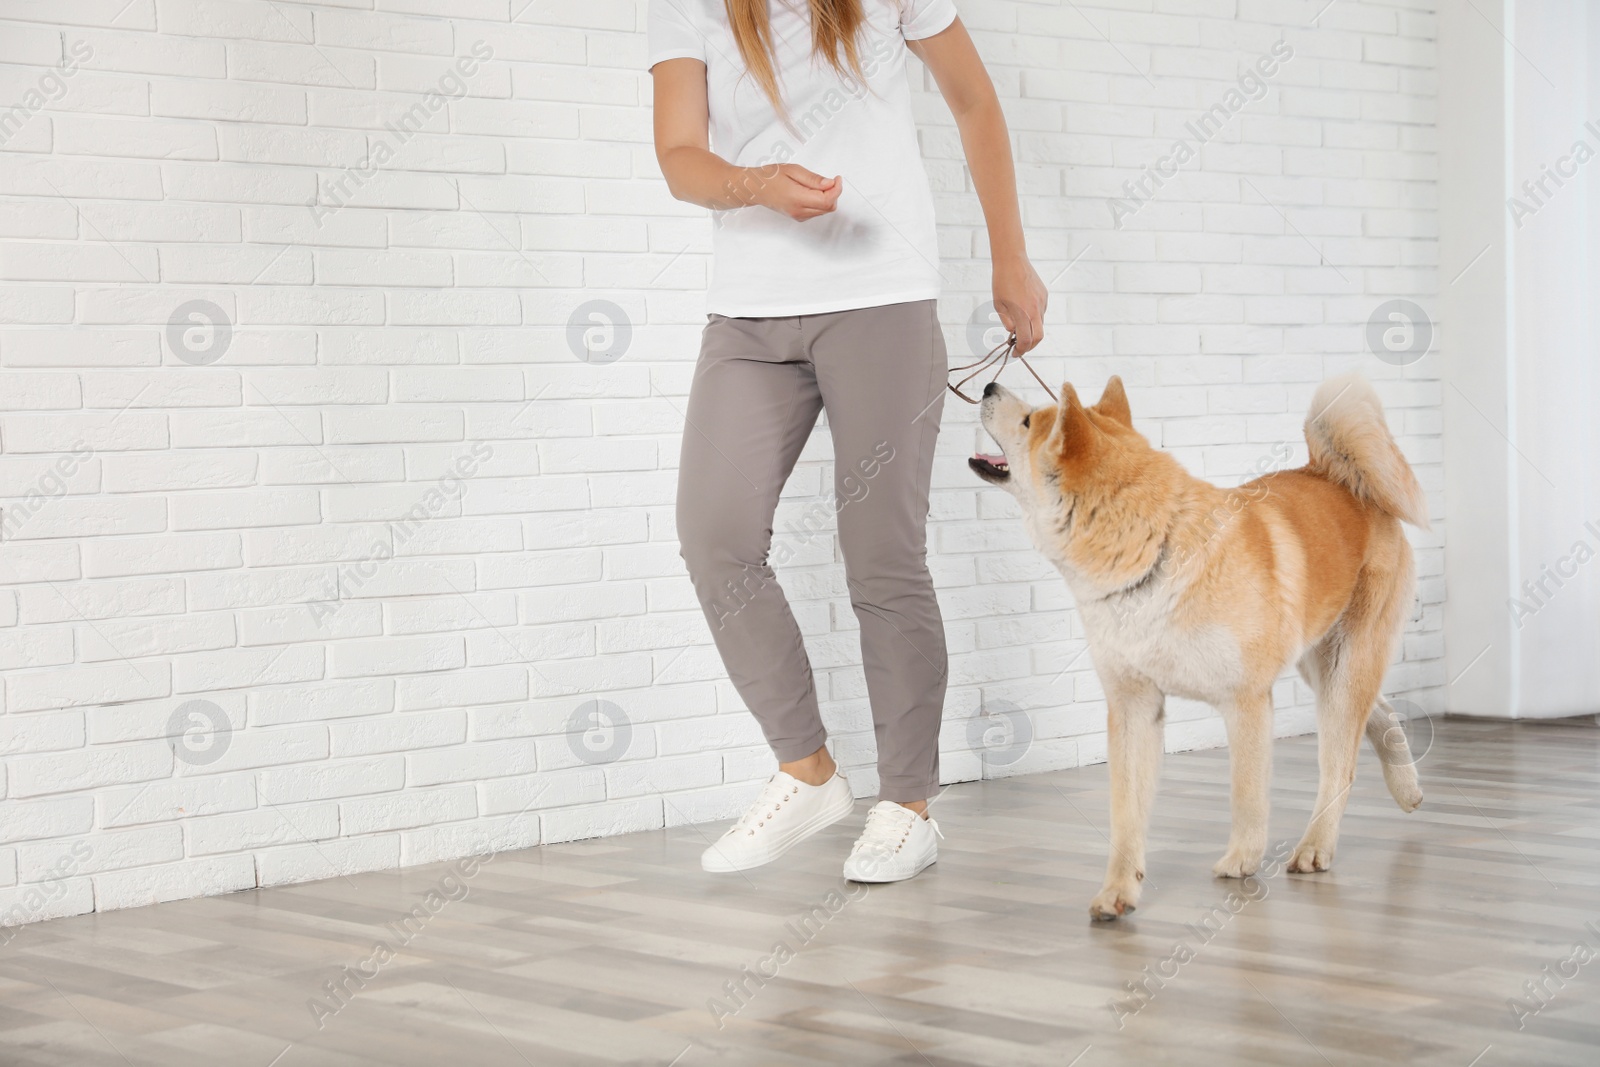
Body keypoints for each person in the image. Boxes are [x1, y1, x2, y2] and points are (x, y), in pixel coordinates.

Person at [649, 0, 1046, 882]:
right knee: (714, 536)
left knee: (882, 555)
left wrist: (1009, 258)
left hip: (883, 296)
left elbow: (974, 101)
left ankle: (907, 805)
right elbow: (679, 157)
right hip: (749, 312)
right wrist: (756, 183)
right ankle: (808, 768)